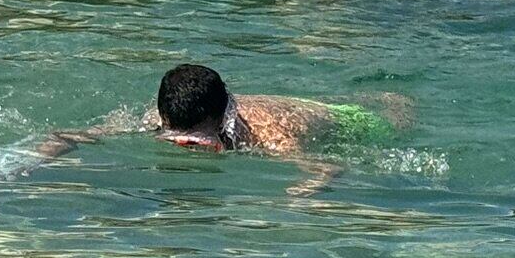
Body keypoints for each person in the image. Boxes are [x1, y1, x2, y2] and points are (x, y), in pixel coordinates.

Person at [36, 64, 411, 195]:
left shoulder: (272, 134)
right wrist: (34, 159)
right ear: (164, 117)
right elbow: (71, 134)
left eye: (199, 138)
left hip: (348, 119)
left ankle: (395, 100)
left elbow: (328, 166)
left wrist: (304, 191)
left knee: (398, 122)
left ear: (222, 117)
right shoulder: (160, 116)